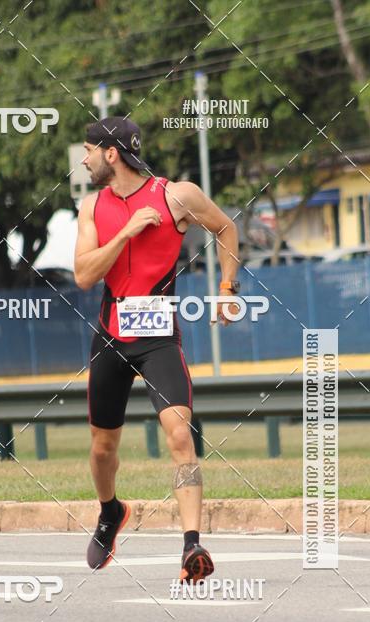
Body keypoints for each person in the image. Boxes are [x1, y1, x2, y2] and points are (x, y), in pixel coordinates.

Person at [73, 116, 240, 582]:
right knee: (102, 448)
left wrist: (227, 288)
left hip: (159, 336)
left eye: (88, 151)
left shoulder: (176, 196)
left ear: (111, 154)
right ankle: (110, 510)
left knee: (181, 435)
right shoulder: (91, 207)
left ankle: (192, 545)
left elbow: (225, 228)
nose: (83, 160)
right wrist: (126, 233)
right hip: (111, 335)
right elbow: (84, 275)